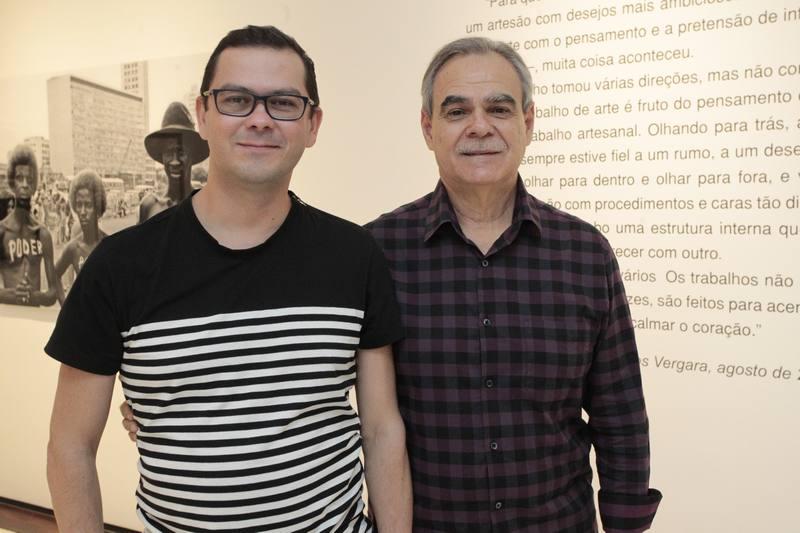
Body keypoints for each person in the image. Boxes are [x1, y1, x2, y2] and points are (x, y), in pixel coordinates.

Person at [122, 35, 661, 532]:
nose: (479, 126)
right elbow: (293, 369)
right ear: (428, 127)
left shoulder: (584, 253)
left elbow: (619, 413)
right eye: (457, 111)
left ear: (528, 120)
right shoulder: (373, 251)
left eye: (499, 108)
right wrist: (167, 404)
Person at [46, 25, 411, 533]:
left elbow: (381, 428)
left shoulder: (354, 256)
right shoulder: (119, 265)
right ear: (203, 114)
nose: (260, 119)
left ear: (313, 124)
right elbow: (71, 446)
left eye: (283, 103)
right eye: (237, 100)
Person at [0, 145, 59, 306]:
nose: (25, 184)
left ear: (34, 185)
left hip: (34, 316)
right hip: (9, 317)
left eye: (29, 179)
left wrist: (33, 297)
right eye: (20, 178)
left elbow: (52, 293)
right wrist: (14, 294)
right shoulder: (2, 232)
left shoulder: (43, 234)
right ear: (12, 182)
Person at [138, 101, 210, 222]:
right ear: (162, 156)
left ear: (192, 155)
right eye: (169, 153)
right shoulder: (148, 206)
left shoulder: (208, 205)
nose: (175, 162)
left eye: (181, 153)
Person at [54, 169, 108, 304]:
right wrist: (65, 306)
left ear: (97, 207)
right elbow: (54, 274)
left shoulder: (109, 245)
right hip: (81, 315)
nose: (83, 212)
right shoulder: (73, 248)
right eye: (79, 205)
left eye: (88, 205)